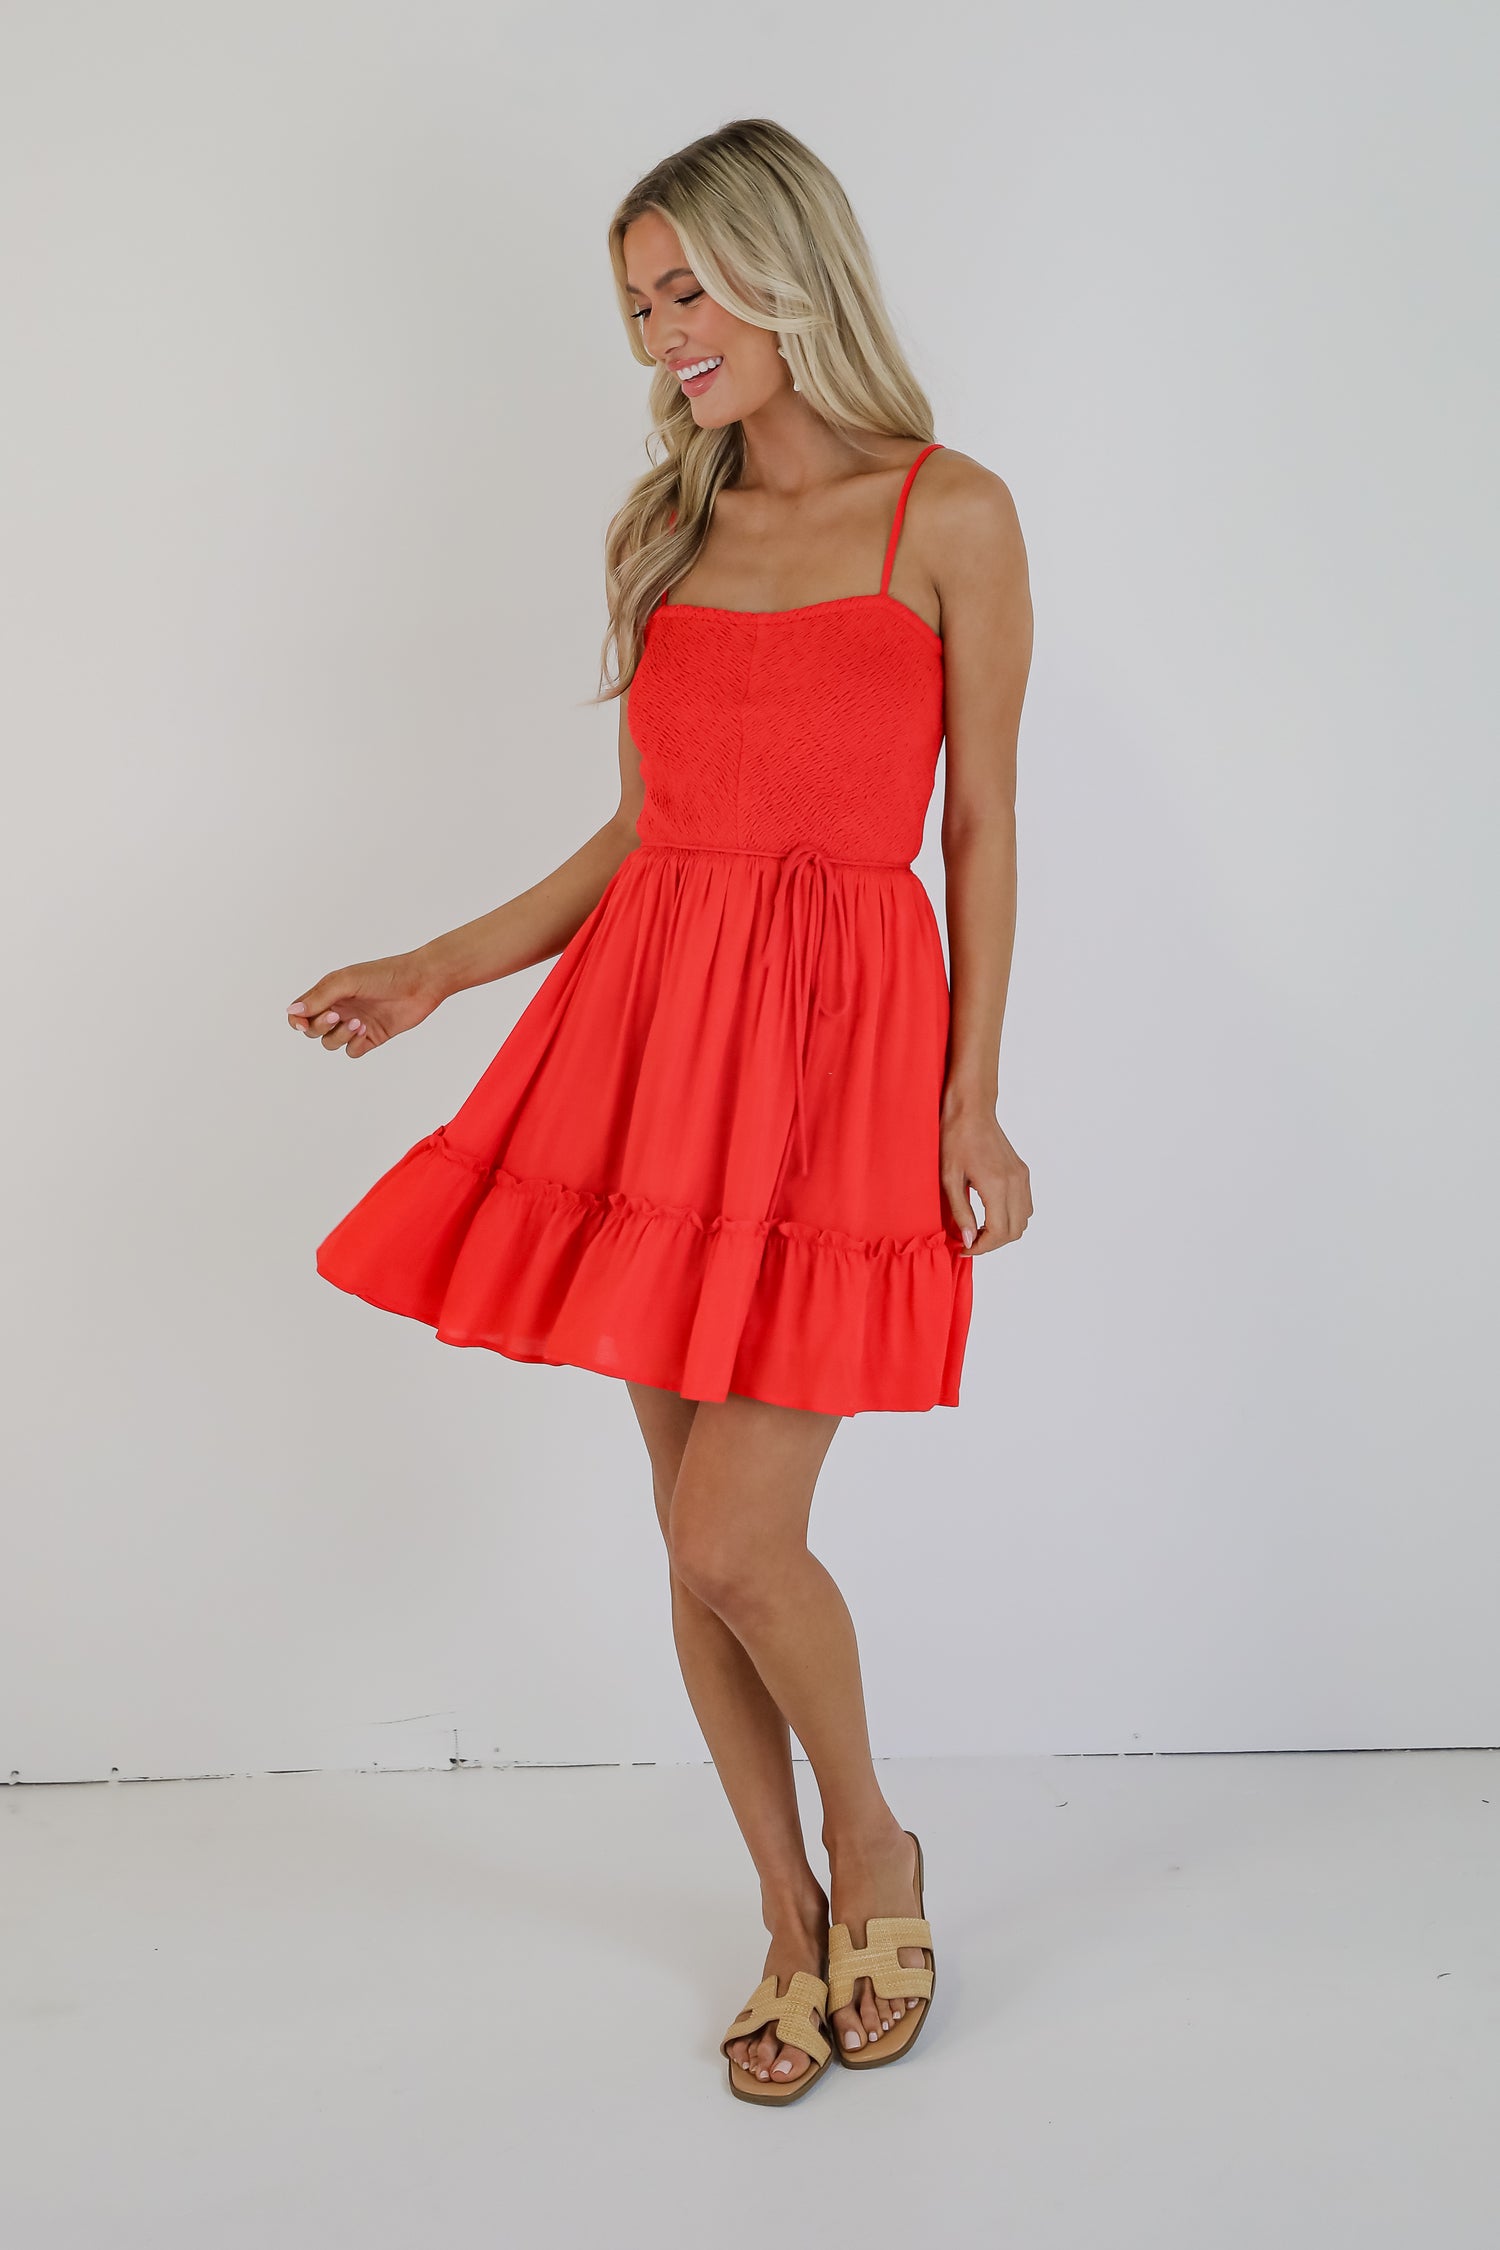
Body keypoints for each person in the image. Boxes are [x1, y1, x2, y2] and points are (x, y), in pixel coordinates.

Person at [287, 117, 1033, 2105]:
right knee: (690, 1536)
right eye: (637, 305)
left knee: (734, 1529)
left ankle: (876, 1847)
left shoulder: (947, 514)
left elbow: (978, 825)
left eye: (689, 288)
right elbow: (649, 830)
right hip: (650, 1058)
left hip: (842, 1065)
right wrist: (443, 964)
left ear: (792, 271)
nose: (662, 334)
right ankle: (785, 1915)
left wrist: (974, 1104)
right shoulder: (667, 532)